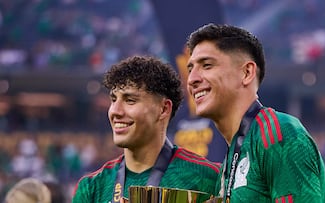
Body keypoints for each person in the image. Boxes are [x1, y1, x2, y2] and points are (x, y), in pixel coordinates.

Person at [186, 23, 325, 202]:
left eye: (206, 65)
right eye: (190, 69)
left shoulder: (279, 134)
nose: (192, 79)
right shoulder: (233, 155)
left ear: (246, 72)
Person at [72, 56, 220, 203]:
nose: (115, 111)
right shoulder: (91, 187)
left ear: (163, 109)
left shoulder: (208, 178)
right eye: (113, 100)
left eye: (130, 100)